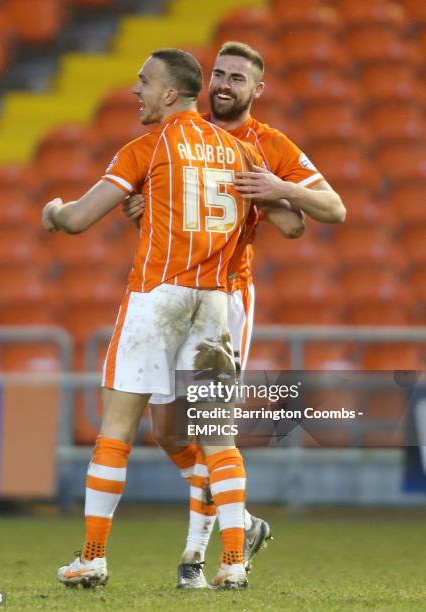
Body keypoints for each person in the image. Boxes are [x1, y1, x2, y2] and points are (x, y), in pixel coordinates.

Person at [42, 47, 303, 591]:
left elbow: (79, 219)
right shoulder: (239, 152)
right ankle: (233, 561)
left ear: (168, 93)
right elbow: (288, 223)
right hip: (213, 303)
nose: (134, 91)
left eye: (143, 82)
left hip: (157, 297)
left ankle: (92, 557)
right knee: (216, 437)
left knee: (116, 428)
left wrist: (54, 212)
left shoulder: (145, 147)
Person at [123, 41, 346, 589]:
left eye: (237, 78)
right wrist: (143, 213)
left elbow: (331, 210)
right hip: (172, 295)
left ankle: (197, 558)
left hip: (226, 297)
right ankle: (241, 520)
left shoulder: (267, 144)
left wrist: (278, 187)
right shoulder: (177, 134)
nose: (224, 84)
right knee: (168, 432)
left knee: (208, 424)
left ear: (257, 90)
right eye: (218, 74)